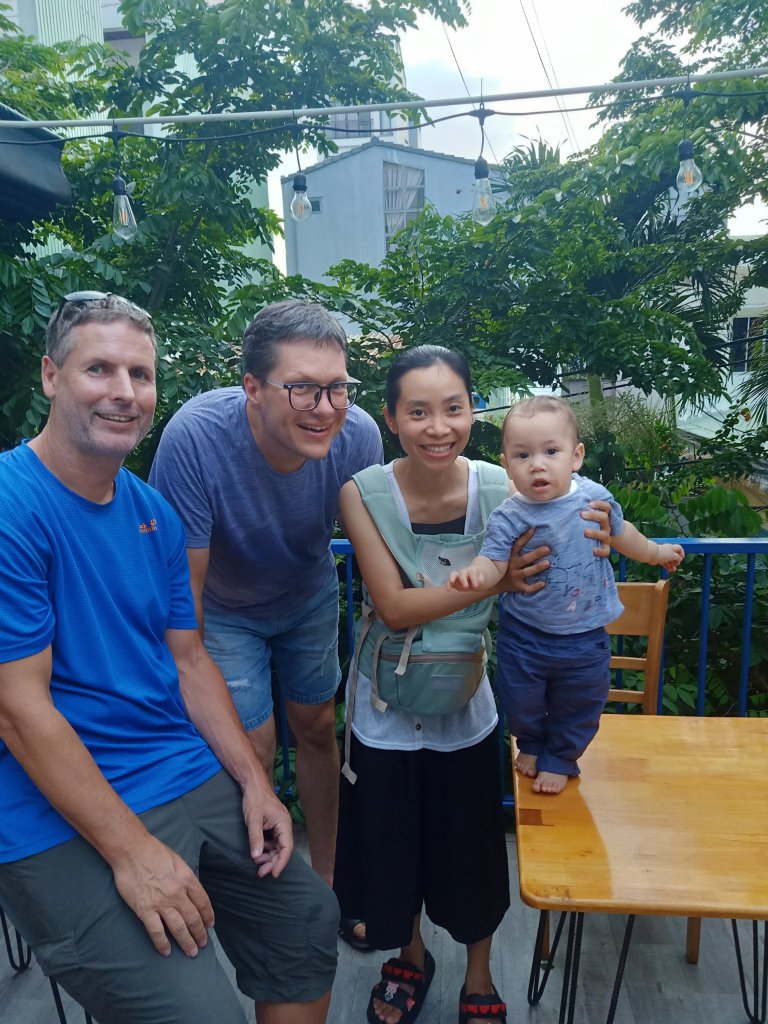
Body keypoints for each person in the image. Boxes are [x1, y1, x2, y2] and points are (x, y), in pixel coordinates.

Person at [0, 292, 338, 1024]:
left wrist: (255, 781)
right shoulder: (10, 506)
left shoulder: (152, 512)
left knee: (307, 919)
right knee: (195, 1012)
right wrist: (133, 853)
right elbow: (18, 710)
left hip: (177, 768)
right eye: (99, 369)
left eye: (141, 374)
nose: (124, 392)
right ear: (52, 376)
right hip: (51, 806)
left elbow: (188, 660)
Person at [333, 348, 612, 1024]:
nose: (438, 427)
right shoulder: (361, 493)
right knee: (391, 845)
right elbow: (394, 607)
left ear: (472, 411)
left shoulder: (503, 485)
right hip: (385, 707)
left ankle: (479, 975)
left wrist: (604, 535)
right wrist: (500, 583)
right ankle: (411, 956)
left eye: (453, 408)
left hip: (466, 703)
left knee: (471, 848)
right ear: (391, 418)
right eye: (418, 411)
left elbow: (575, 503)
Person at [149, 299, 383, 930]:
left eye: (337, 387)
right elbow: (185, 591)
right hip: (225, 609)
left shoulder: (358, 435)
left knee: (318, 729)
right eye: (302, 388)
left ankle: (329, 881)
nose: (325, 408)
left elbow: (381, 550)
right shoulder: (197, 438)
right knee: (251, 747)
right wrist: (193, 674)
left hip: (307, 591)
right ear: (252, 388)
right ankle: (268, 898)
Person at [448, 394, 685, 796]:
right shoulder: (510, 514)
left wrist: (656, 552)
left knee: (581, 701)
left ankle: (560, 757)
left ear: (576, 456)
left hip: (585, 635)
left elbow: (622, 534)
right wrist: (475, 574)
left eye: (551, 451)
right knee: (518, 698)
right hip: (525, 633)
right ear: (507, 465)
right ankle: (531, 742)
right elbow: (494, 561)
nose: (537, 464)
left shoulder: (594, 498)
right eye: (522, 455)